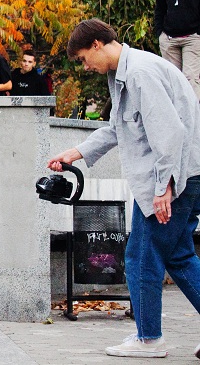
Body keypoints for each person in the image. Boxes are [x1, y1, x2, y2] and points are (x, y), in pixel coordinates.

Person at [48, 19, 200, 359]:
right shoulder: (123, 75)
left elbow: (170, 133)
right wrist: (75, 153)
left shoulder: (141, 74)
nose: (85, 66)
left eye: (84, 58)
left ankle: (149, 339)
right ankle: (149, 336)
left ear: (99, 44)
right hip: (178, 177)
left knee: (140, 257)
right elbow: (117, 128)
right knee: (178, 256)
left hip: (172, 179)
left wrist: (165, 188)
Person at [154, 0, 200, 100]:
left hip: (192, 38)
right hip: (169, 39)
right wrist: (160, 33)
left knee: (191, 79)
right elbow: (159, 9)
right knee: (171, 80)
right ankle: (175, 119)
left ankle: (193, 120)